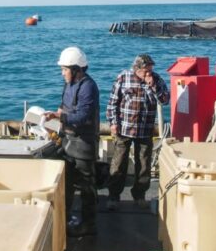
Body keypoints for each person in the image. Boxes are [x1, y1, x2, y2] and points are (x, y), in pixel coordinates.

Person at [45, 46, 100, 237]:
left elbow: (84, 116)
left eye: (65, 70)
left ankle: (89, 224)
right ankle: (66, 218)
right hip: (68, 140)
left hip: (83, 143)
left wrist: (60, 118)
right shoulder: (69, 85)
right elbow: (64, 108)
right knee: (67, 182)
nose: (62, 73)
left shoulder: (88, 87)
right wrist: (53, 119)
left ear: (76, 69)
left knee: (86, 185)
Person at [106, 53, 169, 209]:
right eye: (146, 71)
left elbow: (165, 100)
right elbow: (113, 102)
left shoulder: (157, 79)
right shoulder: (123, 77)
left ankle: (139, 195)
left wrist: (152, 85)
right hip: (124, 128)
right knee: (119, 163)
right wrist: (113, 123)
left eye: (150, 70)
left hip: (145, 129)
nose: (149, 73)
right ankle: (114, 196)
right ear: (137, 69)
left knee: (144, 164)